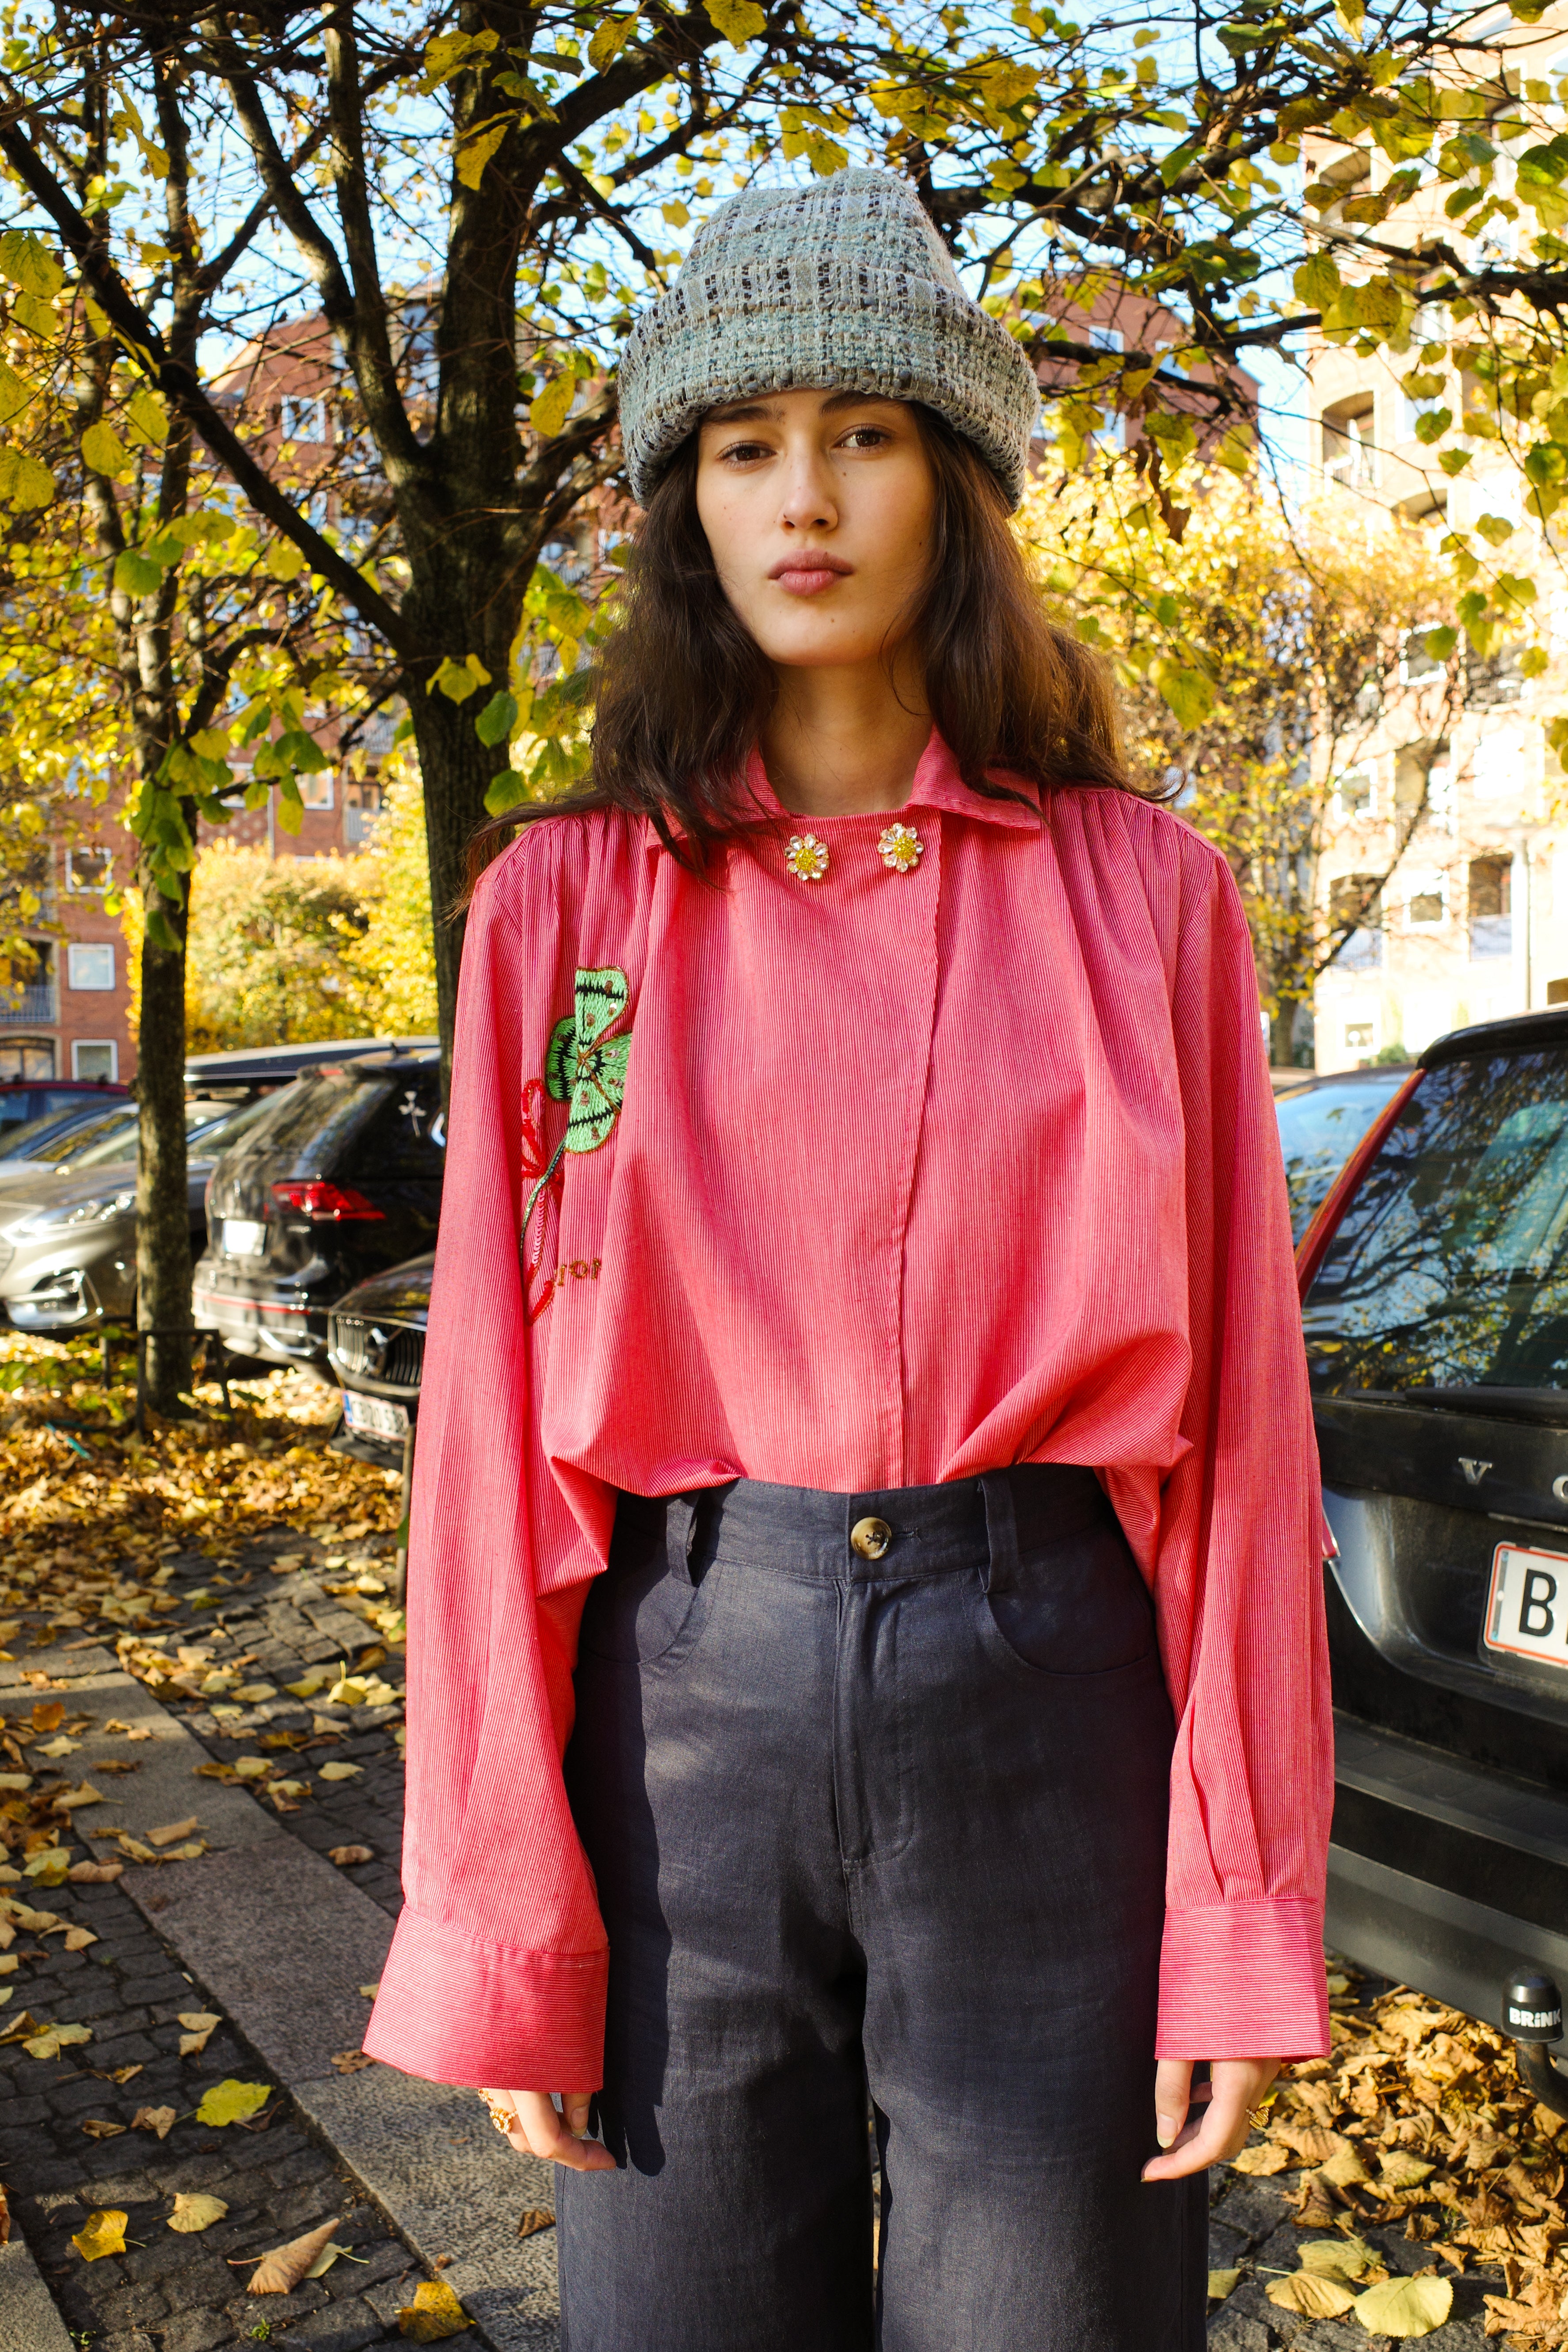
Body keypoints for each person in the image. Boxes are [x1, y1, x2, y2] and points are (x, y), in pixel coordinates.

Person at [364, 168, 1332, 2352]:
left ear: (954, 482)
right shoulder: (563, 911)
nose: (801, 496)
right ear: (682, 503)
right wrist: (502, 1913)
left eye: (863, 433)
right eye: (742, 445)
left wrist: (1239, 1906)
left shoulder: (1145, 896)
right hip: (677, 1710)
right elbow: (487, 1433)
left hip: (1049, 1701)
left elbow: (1245, 1446)